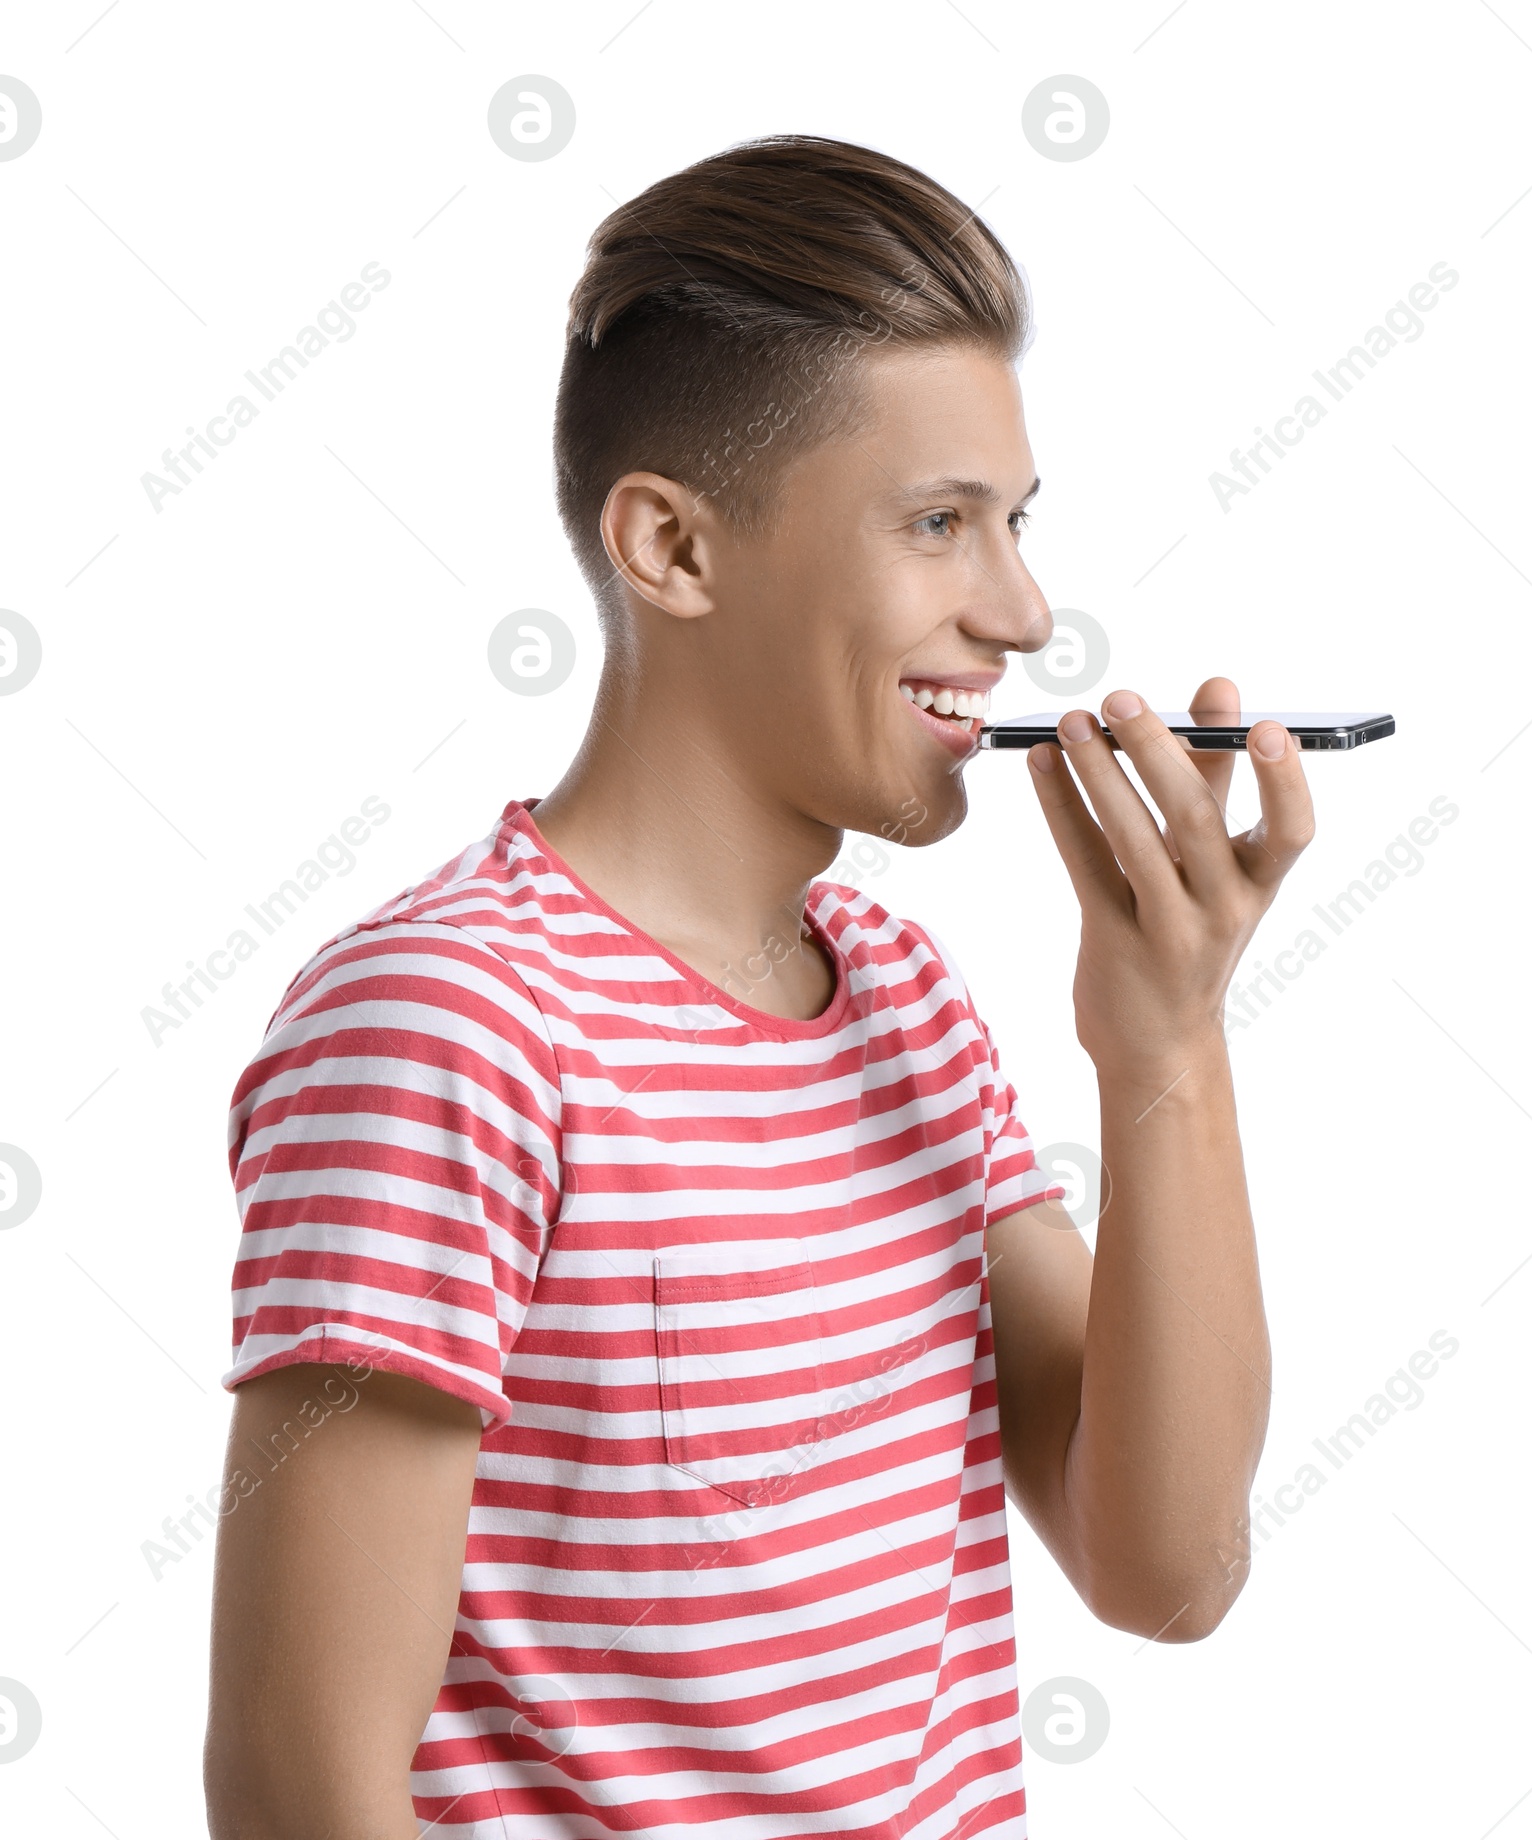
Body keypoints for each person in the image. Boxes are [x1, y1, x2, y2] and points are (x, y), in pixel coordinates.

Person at [204, 133, 1314, 1839]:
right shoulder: (444, 1032)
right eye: (939, 525)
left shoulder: (900, 999)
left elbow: (1169, 1572)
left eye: (1016, 524)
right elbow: (301, 1792)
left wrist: (1165, 1038)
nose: (1022, 612)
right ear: (674, 550)